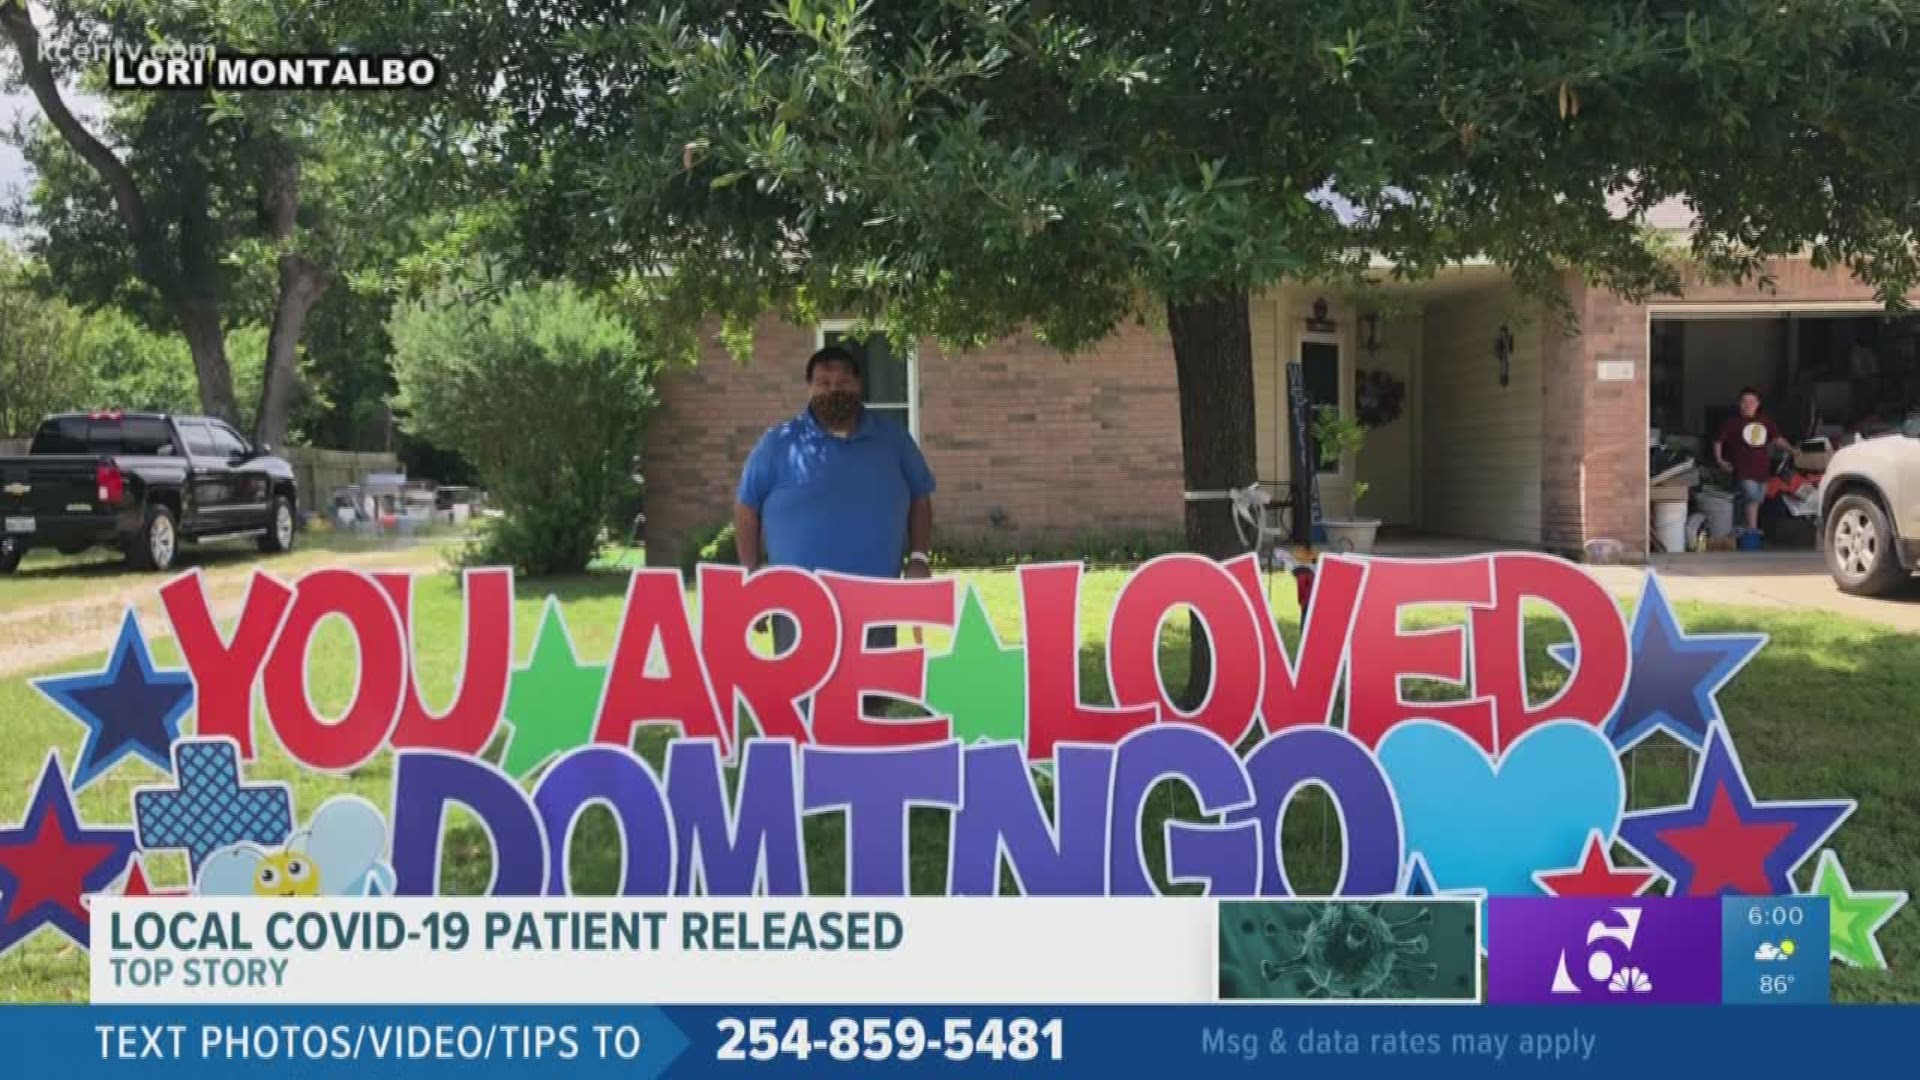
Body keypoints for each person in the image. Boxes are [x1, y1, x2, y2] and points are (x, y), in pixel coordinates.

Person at [734, 344, 936, 658]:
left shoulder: (893, 439)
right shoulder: (778, 442)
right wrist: (750, 573)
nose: (833, 390)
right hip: (796, 599)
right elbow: (747, 508)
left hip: (876, 597)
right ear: (809, 388)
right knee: (799, 697)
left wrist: (919, 558)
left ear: (858, 385)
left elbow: (920, 498)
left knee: (873, 696)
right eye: (823, 383)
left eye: (842, 383)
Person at [1714, 387, 1795, 533]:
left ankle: (1743, 526)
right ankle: (1752, 528)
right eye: (1744, 401)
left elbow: (1778, 439)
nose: (1747, 405)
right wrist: (1720, 460)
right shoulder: (1732, 422)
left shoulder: (1765, 421)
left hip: (1762, 469)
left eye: (1751, 401)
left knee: (1758, 499)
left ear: (1758, 404)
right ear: (1739, 404)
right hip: (1742, 469)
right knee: (1752, 497)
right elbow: (1718, 442)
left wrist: (1793, 450)